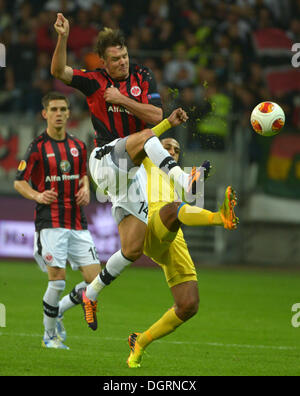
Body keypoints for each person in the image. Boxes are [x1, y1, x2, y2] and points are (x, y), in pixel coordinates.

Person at [51, 13, 206, 329]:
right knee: (149, 137)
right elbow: (57, 71)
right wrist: (63, 38)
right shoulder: (94, 81)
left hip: (129, 174)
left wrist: (121, 99)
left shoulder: (142, 75)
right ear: (104, 63)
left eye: (124, 56)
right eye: (115, 59)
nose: (122, 62)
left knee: (133, 249)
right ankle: (184, 179)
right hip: (106, 160)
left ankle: (91, 295)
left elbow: (154, 113)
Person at [14, 92, 101, 349]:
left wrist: (86, 189)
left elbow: (83, 174)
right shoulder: (37, 147)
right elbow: (19, 182)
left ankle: (60, 309)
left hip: (76, 220)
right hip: (50, 221)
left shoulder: (78, 145)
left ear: (68, 113)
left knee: (95, 279)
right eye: (54, 109)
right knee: (58, 279)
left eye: (63, 109)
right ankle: (49, 335)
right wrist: (38, 195)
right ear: (45, 114)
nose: (59, 113)